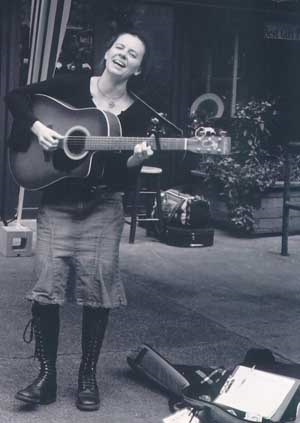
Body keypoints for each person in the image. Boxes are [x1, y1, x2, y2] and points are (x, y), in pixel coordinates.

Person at [5, 30, 157, 411]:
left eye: (133, 54)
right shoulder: (73, 85)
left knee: (99, 288)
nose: (123, 54)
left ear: (138, 69)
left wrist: (136, 160)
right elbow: (16, 97)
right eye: (119, 47)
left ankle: (87, 375)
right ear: (107, 53)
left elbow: (122, 175)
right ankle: (46, 377)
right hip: (58, 202)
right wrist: (37, 128)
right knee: (46, 285)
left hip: (103, 206)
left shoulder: (138, 113)